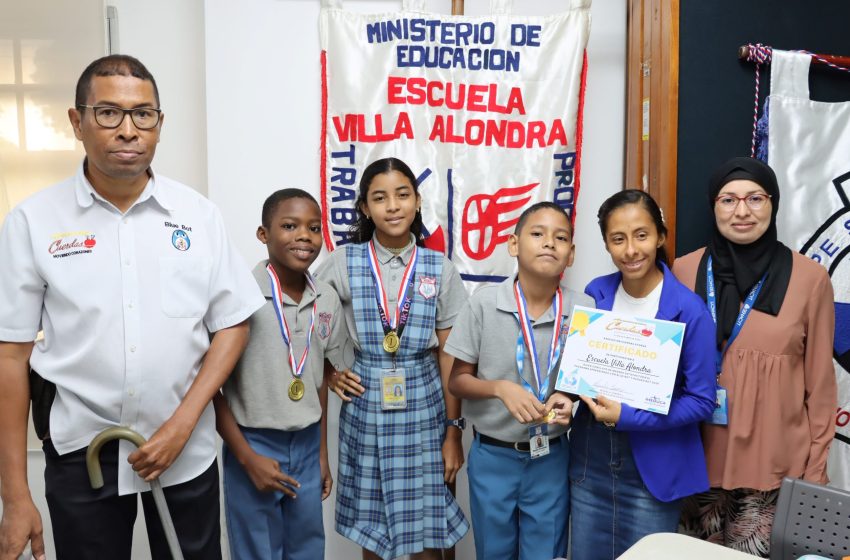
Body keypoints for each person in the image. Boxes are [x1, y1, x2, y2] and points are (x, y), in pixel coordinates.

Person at [0, 55, 264, 559]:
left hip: (185, 454)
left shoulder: (197, 215)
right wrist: (15, 496)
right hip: (84, 455)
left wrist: (183, 424)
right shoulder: (33, 223)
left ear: (159, 125)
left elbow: (232, 326)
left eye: (143, 114)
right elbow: (9, 359)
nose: (128, 130)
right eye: (108, 113)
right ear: (77, 121)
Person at [675, 157, 836, 557]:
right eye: (728, 200)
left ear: (773, 203)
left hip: (775, 469)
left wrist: (815, 471)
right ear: (713, 207)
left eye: (755, 199)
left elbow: (820, 387)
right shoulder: (682, 270)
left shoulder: (811, 278)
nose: (742, 211)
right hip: (696, 463)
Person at [316, 157, 469, 560]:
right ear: (365, 208)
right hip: (366, 402)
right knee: (375, 531)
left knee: (431, 528)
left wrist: (453, 432)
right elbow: (308, 320)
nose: (393, 206)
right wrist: (331, 371)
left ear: (417, 201)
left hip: (425, 406)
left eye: (403, 195)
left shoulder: (439, 267)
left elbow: (451, 357)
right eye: (380, 198)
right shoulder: (344, 261)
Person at [569, 189, 715, 560]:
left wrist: (628, 417)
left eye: (642, 235)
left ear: (661, 236)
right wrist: (564, 395)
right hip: (592, 461)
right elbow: (582, 372)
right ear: (606, 244)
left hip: (654, 470)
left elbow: (702, 401)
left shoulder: (689, 310)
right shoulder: (595, 298)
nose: (631, 250)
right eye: (618, 239)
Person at [445, 202, 586, 560]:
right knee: (494, 552)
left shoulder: (583, 309)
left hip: (551, 458)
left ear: (571, 255)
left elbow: (586, 381)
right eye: (537, 234)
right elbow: (457, 380)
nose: (549, 243)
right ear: (513, 244)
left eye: (561, 238)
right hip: (494, 455)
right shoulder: (484, 303)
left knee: (547, 552)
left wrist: (570, 398)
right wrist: (499, 388)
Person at [214, 189, 345, 559]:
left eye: (314, 228)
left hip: (305, 443)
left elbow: (318, 378)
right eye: (289, 226)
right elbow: (211, 388)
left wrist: (321, 454)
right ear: (263, 234)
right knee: (258, 550)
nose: (304, 235)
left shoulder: (327, 299)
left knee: (307, 548)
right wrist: (244, 457)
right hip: (253, 443)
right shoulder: (239, 295)